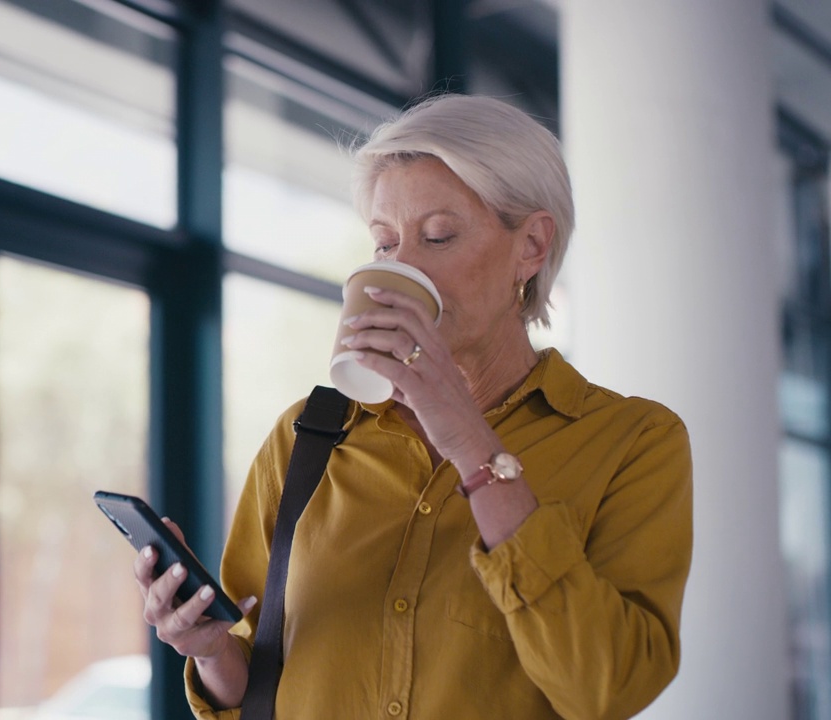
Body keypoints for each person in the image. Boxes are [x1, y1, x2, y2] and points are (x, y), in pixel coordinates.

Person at [133, 94, 693, 719]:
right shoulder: (306, 436)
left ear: (531, 245)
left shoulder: (633, 440)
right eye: (386, 242)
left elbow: (609, 688)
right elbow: (255, 680)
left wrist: (471, 443)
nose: (401, 266)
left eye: (438, 235)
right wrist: (208, 648)